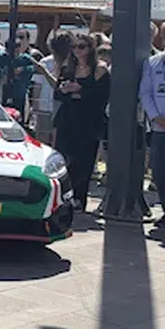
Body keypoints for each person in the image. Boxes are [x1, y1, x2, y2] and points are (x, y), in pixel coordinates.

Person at [53, 34, 110, 213]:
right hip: (67, 119)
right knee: (63, 159)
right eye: (74, 47)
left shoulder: (99, 69)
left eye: (82, 47)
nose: (78, 51)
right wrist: (66, 90)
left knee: (83, 163)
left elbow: (102, 96)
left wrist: (80, 90)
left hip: (89, 122)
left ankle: (79, 199)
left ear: (91, 48)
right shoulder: (67, 68)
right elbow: (57, 93)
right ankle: (62, 198)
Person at [140, 19, 165, 230]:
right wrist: (155, 117)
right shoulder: (152, 63)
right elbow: (145, 93)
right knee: (159, 172)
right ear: (161, 38)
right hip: (160, 128)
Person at [33, 31, 73, 145]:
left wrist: (45, 72)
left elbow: (59, 86)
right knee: (42, 139)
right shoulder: (46, 61)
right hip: (46, 105)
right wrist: (35, 105)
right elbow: (37, 85)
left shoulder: (71, 65)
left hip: (63, 108)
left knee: (59, 140)